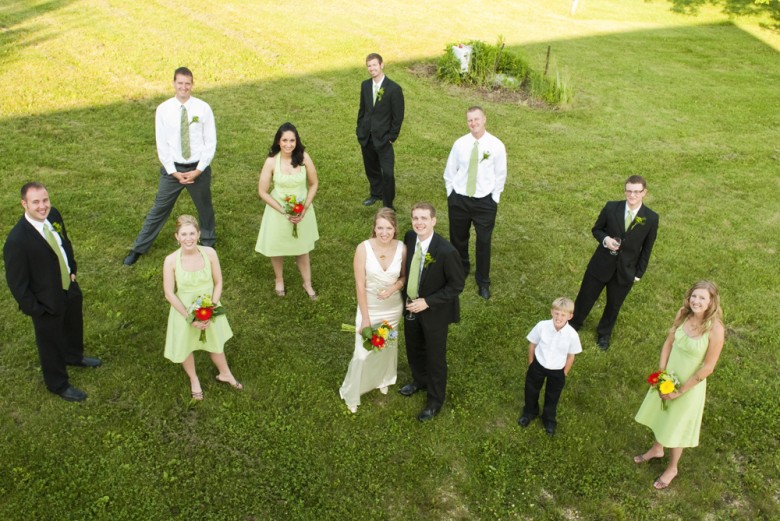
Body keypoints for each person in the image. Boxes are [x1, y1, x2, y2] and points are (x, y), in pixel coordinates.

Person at [4, 182, 102, 402]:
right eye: (36, 202)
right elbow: (17, 284)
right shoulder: (17, 241)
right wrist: (36, 309)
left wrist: (72, 270)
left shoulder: (54, 215)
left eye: (45, 200)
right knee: (50, 342)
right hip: (45, 300)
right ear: (24, 204)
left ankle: (73, 356)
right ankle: (57, 383)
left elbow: (64, 243)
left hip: (69, 286)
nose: (43, 206)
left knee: (74, 324)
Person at [633, 281, 725, 490]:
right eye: (694, 296)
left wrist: (679, 391)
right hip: (669, 376)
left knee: (677, 425)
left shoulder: (716, 329)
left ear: (711, 301)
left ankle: (673, 467)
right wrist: (662, 373)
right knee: (661, 414)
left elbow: (708, 367)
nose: (696, 301)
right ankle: (657, 448)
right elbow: (668, 343)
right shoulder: (683, 314)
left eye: (702, 298)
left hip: (689, 385)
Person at [124, 67, 217, 266]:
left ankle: (209, 243)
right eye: (180, 83)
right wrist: (173, 172)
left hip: (197, 169)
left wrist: (198, 169)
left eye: (188, 83)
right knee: (159, 208)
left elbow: (210, 142)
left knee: (205, 208)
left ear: (192, 84)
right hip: (173, 169)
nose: (184, 87)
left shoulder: (203, 108)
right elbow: (162, 143)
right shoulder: (163, 109)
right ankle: (139, 247)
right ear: (174, 83)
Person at [569, 175, 659, 350]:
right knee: (585, 296)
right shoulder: (611, 208)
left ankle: (604, 333)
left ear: (644, 193)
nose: (632, 195)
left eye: (636, 192)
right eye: (629, 191)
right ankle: (574, 324)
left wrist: (638, 273)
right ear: (625, 190)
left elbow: (647, 248)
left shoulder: (651, 218)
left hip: (625, 270)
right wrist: (605, 240)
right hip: (601, 264)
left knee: (614, 304)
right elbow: (596, 229)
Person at [163, 215, 241, 400]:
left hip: (209, 307)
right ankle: (194, 379)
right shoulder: (171, 260)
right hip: (184, 311)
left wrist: (210, 311)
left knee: (214, 341)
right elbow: (169, 293)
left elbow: (219, 282)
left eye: (192, 233)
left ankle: (225, 373)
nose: (188, 238)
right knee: (186, 345)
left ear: (198, 234)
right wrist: (190, 318)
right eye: (184, 234)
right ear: (177, 237)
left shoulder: (210, 253)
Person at [400, 202, 465, 421]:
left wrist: (427, 302)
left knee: (435, 357)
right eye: (415, 218)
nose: (419, 223)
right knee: (414, 347)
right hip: (410, 307)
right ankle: (419, 380)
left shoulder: (446, 251)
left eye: (424, 218)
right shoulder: (410, 238)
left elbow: (456, 286)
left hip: (434, 312)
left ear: (434, 221)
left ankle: (434, 401)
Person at [339, 208, 407, 413]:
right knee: (362, 353)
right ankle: (352, 392)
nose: (384, 232)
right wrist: (365, 319)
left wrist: (393, 288)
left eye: (388, 228)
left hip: (393, 308)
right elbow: (360, 285)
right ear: (374, 228)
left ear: (395, 229)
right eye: (380, 228)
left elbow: (404, 278)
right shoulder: (363, 249)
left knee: (387, 345)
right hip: (369, 306)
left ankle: (383, 378)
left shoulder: (402, 248)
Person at [443, 106, 507, 300]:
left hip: (484, 202)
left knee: (484, 242)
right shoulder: (460, 144)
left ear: (484, 119)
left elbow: (500, 174)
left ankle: (483, 281)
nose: (473, 123)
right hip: (460, 200)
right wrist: (451, 194)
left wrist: (493, 198)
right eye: (470, 120)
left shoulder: (496, 145)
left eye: (476, 119)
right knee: (458, 239)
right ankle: (460, 272)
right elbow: (450, 171)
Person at [255, 122, 320, 299]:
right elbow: (262, 191)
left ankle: (307, 283)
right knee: (277, 247)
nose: (288, 144)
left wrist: (304, 208)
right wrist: (283, 211)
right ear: (278, 141)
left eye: (292, 140)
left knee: (302, 248)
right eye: (284, 140)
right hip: (278, 211)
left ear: (296, 141)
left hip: (302, 210)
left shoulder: (304, 158)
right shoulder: (271, 162)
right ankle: (279, 279)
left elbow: (314, 184)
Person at [517, 297, 582, 436]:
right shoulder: (542, 326)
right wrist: (531, 363)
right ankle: (529, 412)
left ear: (570, 316)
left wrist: (564, 373)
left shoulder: (572, 335)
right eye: (556, 313)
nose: (559, 317)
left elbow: (571, 356)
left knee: (552, 396)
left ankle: (548, 420)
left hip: (557, 371)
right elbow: (532, 344)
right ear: (552, 312)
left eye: (563, 315)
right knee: (531, 390)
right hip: (538, 365)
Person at [356, 53, 405, 210]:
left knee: (388, 173)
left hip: (384, 139)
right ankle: (376, 193)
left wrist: (391, 137)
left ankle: (388, 204)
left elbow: (398, 116)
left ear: (382, 65)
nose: (371, 68)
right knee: (371, 168)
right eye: (369, 66)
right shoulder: (365, 85)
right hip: (366, 137)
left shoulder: (394, 89)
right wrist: (359, 129)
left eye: (374, 65)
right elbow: (362, 109)